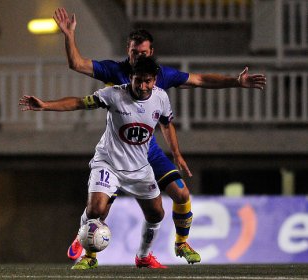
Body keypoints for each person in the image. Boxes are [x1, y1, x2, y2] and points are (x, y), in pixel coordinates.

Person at [53, 7, 267, 265]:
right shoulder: (114, 72)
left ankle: (180, 243)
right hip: (120, 146)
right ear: (127, 51)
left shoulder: (162, 75)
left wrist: (234, 81)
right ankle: (85, 237)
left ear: (151, 54)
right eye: (134, 53)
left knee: (181, 194)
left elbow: (198, 81)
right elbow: (76, 64)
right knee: (99, 209)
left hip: (148, 149)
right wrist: (69, 35)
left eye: (143, 53)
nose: (138, 58)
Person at [19, 56, 187, 269]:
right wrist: (46, 105)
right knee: (96, 209)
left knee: (157, 213)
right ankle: (89, 255)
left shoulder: (161, 98)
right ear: (130, 78)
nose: (143, 86)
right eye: (138, 81)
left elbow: (166, 123)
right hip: (108, 163)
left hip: (139, 167)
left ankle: (143, 257)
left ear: (155, 80)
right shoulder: (114, 94)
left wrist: (176, 152)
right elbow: (80, 102)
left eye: (148, 81)